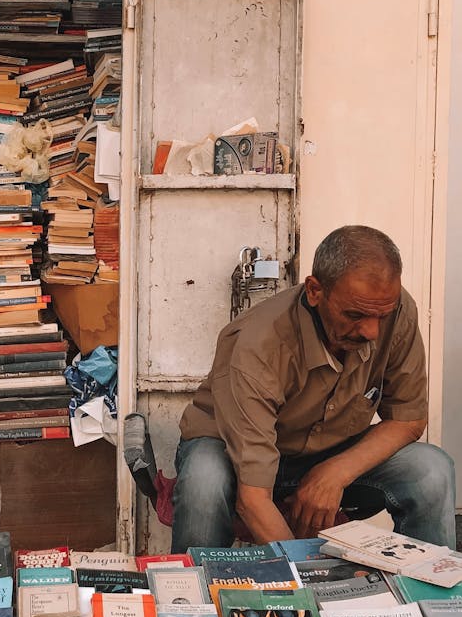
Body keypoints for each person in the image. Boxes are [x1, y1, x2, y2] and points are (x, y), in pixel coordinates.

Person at [172, 226, 455, 551]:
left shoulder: (396, 311)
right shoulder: (259, 342)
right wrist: (310, 580)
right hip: (234, 454)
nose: (372, 331)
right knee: (203, 483)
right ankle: (192, 598)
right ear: (315, 291)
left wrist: (334, 473)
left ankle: (431, 597)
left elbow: (408, 420)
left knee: (433, 471)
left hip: (325, 455)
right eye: (355, 315)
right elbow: (253, 499)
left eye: (382, 316)